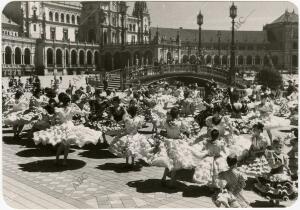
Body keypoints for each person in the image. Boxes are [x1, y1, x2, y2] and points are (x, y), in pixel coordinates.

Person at [33, 93, 102, 166]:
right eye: (69, 102)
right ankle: (63, 161)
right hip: (70, 127)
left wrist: (46, 114)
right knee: (66, 146)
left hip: (62, 126)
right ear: (68, 102)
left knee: (63, 145)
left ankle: (57, 160)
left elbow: (52, 117)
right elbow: (81, 113)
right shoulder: (71, 109)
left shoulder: (58, 110)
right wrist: (89, 112)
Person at [255, 137, 297, 203]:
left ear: (282, 147)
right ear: (273, 147)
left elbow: (285, 165)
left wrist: (289, 170)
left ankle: (278, 200)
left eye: (280, 147)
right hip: (274, 174)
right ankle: (272, 198)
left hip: (282, 174)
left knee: (282, 187)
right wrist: (277, 164)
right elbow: (272, 166)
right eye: (276, 147)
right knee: (273, 187)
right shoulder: (272, 155)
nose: (278, 149)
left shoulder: (283, 155)